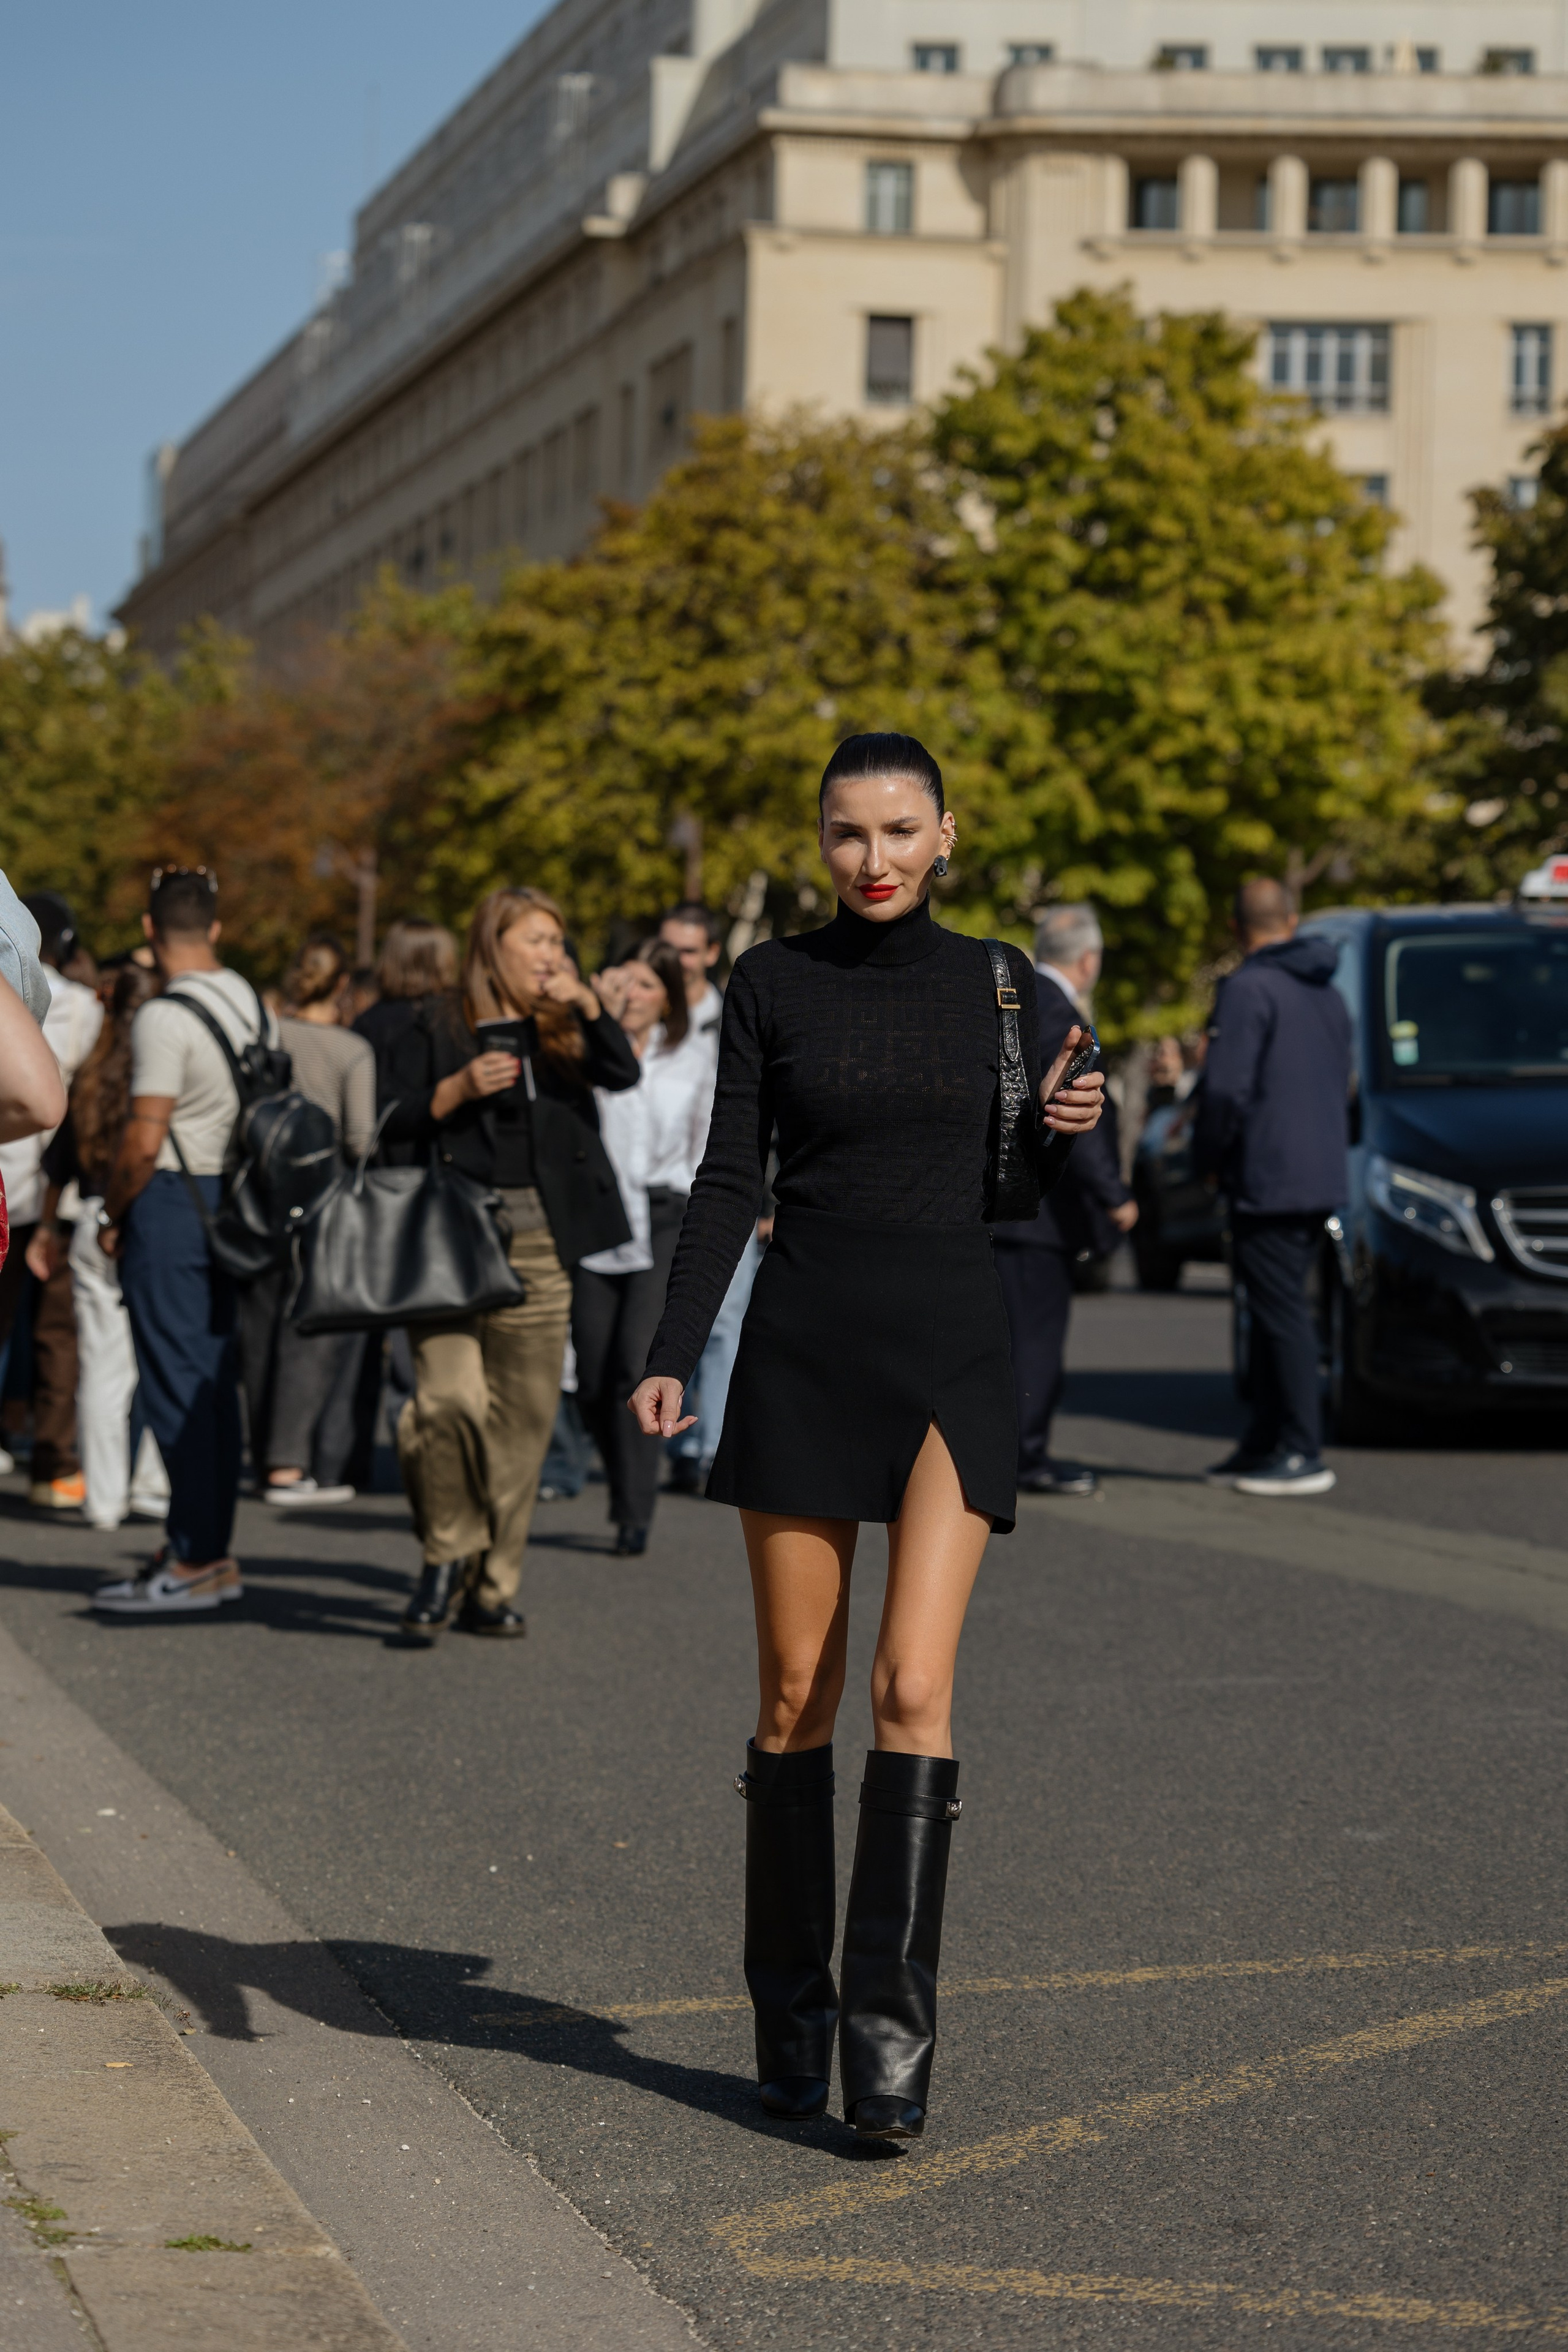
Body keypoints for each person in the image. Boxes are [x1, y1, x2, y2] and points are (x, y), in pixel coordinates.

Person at [631, 732, 1104, 2141]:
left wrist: (1065, 1126)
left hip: (952, 1345)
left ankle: (888, 2049)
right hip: (806, 1343)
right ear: (821, 839)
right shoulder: (773, 981)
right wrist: (671, 1356)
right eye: (849, 832)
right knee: (794, 1692)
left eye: (900, 830)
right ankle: (791, 2011)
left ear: (945, 834)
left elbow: (1010, 1191)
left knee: (911, 1683)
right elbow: (728, 1179)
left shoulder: (1006, 982)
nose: (874, 858)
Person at [381, 886, 640, 1641]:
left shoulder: (564, 1025)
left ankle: (490, 1589)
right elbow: (384, 1119)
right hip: (449, 1242)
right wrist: (451, 1093)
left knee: (524, 1426)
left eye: (559, 942)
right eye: (536, 941)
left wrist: (589, 1007)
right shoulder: (433, 1021)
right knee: (445, 1403)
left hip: (540, 1244)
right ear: (493, 944)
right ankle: (446, 1554)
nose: (552, 956)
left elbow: (623, 1076)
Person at [93, 867, 281, 1613]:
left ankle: (195, 1557)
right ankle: (207, 1548)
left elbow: (144, 1137)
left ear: (148, 932)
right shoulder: (248, 1000)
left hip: (173, 1199)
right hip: (232, 1201)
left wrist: (111, 1214)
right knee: (209, 1382)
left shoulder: (163, 1016)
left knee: (173, 1382)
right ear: (217, 927)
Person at [1194, 876, 1351, 1498]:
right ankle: (1263, 1441)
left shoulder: (1248, 989)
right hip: (1319, 1171)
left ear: (1236, 929)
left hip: (1268, 1173)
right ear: (1293, 920)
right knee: (1271, 1311)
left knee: (1279, 1313)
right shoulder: (1328, 994)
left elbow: (1225, 1090)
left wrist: (1208, 1157)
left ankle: (1299, 1449)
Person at [990, 905, 1138, 1499]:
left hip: (1012, 1204)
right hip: (1039, 1212)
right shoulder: (1064, 1015)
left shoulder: (1023, 1003)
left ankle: (1013, 1451)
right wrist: (1116, 1197)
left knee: (1015, 1335)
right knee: (1035, 1340)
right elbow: (1082, 1120)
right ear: (1088, 959)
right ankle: (1027, 1457)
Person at [573, 939, 712, 1555]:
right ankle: (617, 1474)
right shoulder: (581, 1052)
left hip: (663, 1215)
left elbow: (708, 1142)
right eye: (622, 983)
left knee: (635, 1362)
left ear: (667, 999)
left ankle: (634, 1509)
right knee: (593, 1369)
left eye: (646, 986)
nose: (632, 996)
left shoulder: (693, 1056)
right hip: (596, 1218)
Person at [26, 964, 169, 1529]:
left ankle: (104, 1497)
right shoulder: (161, 1074)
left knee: (102, 1368)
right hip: (148, 1217)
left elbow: (55, 1165)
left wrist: (45, 1229)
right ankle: (153, 1484)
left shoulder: (90, 1074)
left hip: (87, 1219)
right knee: (159, 1360)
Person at [237, 934, 376, 1509]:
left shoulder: (264, 1035)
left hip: (259, 1197)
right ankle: (288, 1464)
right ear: (342, 985)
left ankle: (257, 1445)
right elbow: (361, 1138)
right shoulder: (351, 1050)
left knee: (258, 1323)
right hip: (324, 1203)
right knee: (309, 1333)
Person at [0, 894, 104, 1507]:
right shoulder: (81, 1006)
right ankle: (55, 1460)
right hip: (42, 1178)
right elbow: (47, 1100)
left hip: (35, 1177)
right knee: (53, 1330)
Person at [657, 902, 725, 1060]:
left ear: (712, 953)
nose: (676, 960)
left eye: (688, 951)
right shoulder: (635, 1011)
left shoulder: (733, 1021)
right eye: (667, 949)